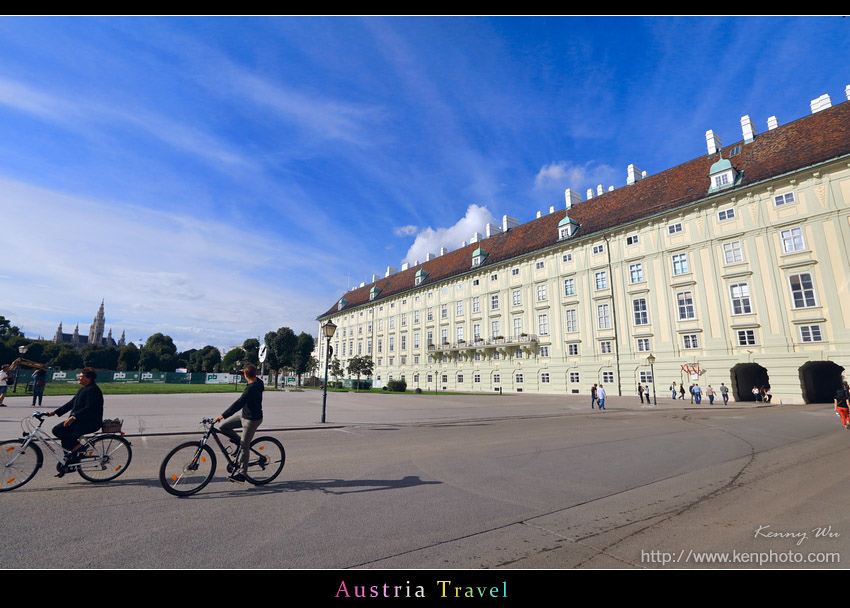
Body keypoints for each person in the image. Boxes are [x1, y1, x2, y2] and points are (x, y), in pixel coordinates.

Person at [213, 364, 264, 483]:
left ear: (246, 375)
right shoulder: (258, 382)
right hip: (244, 416)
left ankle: (242, 474)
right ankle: (239, 442)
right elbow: (251, 374)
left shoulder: (251, 389)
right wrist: (245, 372)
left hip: (252, 420)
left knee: (244, 446)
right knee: (223, 427)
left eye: (243, 374)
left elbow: (238, 403)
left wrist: (222, 415)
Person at [46, 368, 104, 470]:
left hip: (90, 422)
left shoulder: (93, 390)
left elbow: (89, 408)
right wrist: (55, 412)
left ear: (89, 378)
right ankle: (72, 458)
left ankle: (78, 451)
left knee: (65, 434)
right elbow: (71, 403)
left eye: (81, 376)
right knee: (58, 430)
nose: (79, 378)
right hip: (80, 421)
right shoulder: (83, 389)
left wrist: (74, 417)